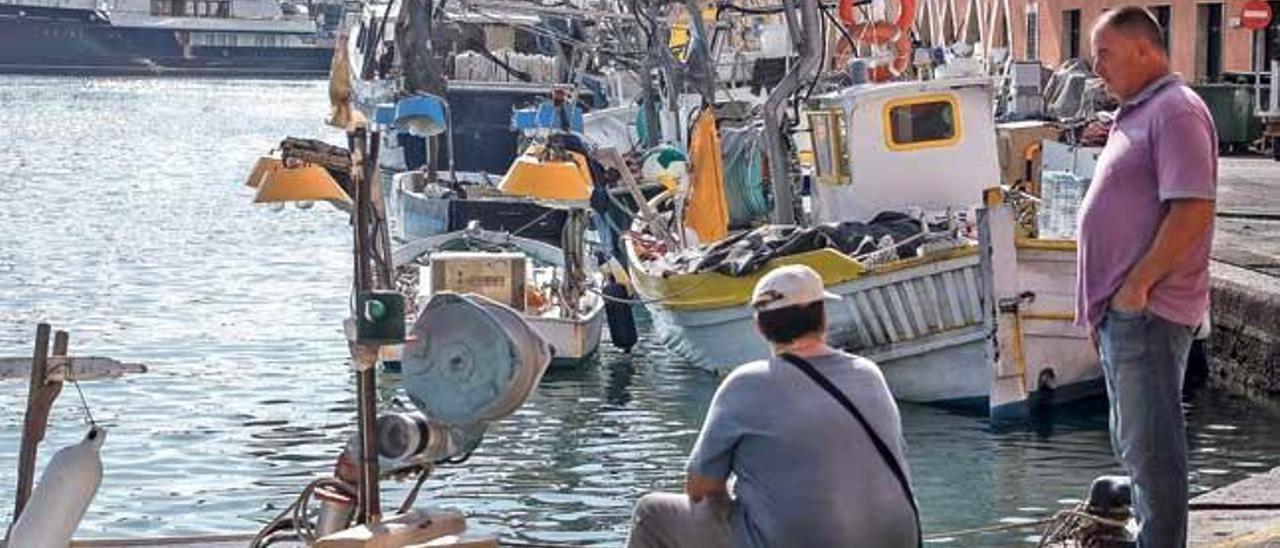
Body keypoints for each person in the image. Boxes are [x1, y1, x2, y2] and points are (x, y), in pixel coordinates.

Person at [625, 265, 919, 548]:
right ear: (823, 318)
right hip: (900, 540)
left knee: (651, 514)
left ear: (759, 327)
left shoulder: (746, 384)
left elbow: (700, 488)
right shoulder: (869, 373)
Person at [1077, 7, 1218, 547]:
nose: (1098, 69)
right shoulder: (1140, 111)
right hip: (1126, 312)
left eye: (1105, 54)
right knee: (1136, 441)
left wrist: (1136, 287)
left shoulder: (1176, 110)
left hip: (1149, 309)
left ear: (1144, 49)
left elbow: (1192, 209)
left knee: (1154, 448)